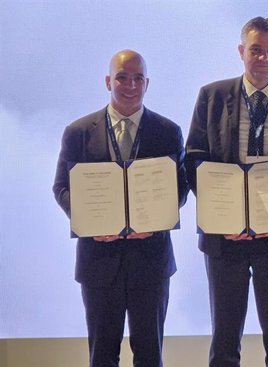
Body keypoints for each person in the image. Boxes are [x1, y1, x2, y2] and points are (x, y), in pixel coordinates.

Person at [184, 17, 268, 367]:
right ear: (241, 51)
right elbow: (194, 158)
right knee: (225, 339)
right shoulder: (211, 96)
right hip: (224, 237)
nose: (263, 58)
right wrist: (222, 213)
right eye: (256, 50)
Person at [52, 50, 189, 367]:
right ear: (107, 81)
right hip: (99, 262)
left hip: (151, 261)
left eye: (138, 78)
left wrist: (157, 221)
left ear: (147, 83)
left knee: (150, 356)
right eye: (122, 77)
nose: (131, 85)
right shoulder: (77, 132)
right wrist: (90, 221)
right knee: (101, 355)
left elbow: (181, 188)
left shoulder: (168, 132)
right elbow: (61, 187)